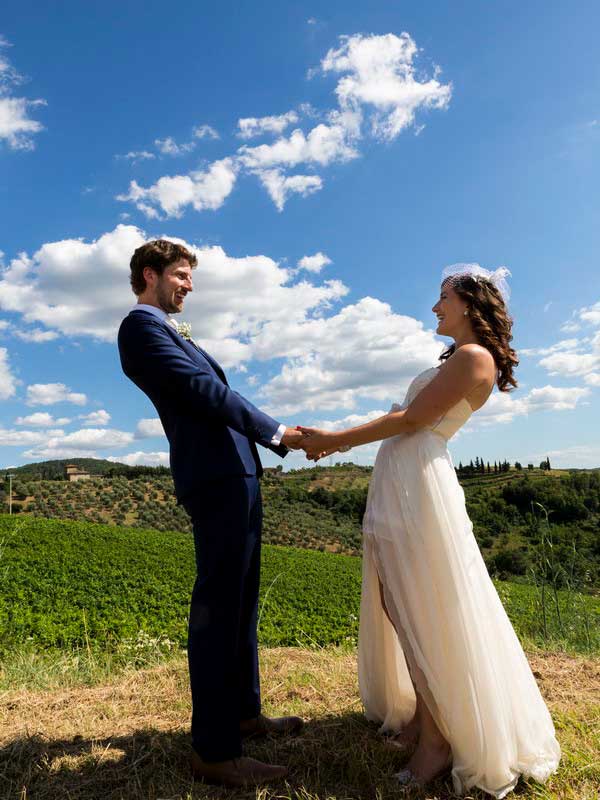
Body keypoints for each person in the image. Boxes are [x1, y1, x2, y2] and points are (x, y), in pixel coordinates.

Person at [299, 265, 560, 797]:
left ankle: (439, 743)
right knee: (400, 604)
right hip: (404, 480)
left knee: (418, 605)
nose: (435, 307)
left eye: (443, 297)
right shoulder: (459, 358)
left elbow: (413, 420)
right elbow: (407, 416)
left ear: (468, 302)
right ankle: (425, 716)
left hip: (419, 486)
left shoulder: (473, 357)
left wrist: (335, 439)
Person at [118, 240, 306, 787]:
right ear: (148, 275)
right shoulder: (141, 329)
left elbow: (213, 388)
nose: (189, 286)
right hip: (215, 478)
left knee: (242, 604)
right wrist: (276, 431)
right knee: (218, 611)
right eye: (180, 275)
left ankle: (243, 713)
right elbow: (201, 390)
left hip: (237, 475)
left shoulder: (171, 331)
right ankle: (214, 749)